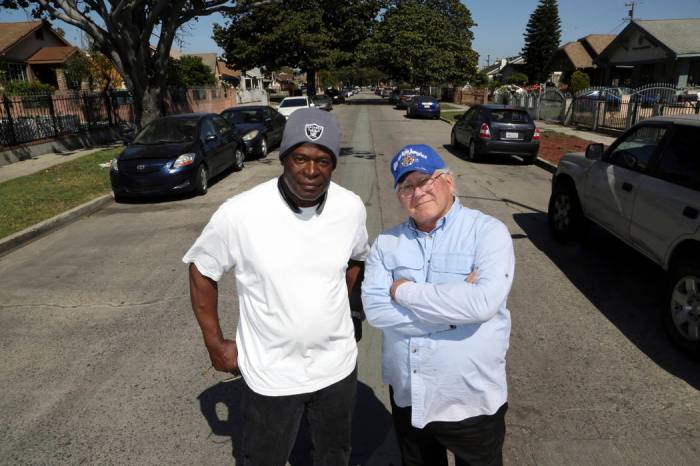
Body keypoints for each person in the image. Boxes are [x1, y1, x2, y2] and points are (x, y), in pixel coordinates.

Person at [183, 108, 369, 465]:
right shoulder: (241, 213)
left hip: (337, 370)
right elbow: (202, 271)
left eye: (323, 160)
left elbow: (357, 260)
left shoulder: (350, 208)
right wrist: (215, 343)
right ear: (283, 157)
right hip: (271, 374)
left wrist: (342, 310)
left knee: (335, 455)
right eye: (300, 158)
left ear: (334, 164)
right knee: (264, 458)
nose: (311, 171)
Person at [361, 144, 514, 466]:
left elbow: (484, 303)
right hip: (410, 397)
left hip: (472, 401)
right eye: (406, 186)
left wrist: (403, 291)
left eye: (425, 180)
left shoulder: (487, 232)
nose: (417, 191)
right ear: (400, 196)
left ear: (448, 181)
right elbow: (375, 310)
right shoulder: (386, 243)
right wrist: (459, 311)